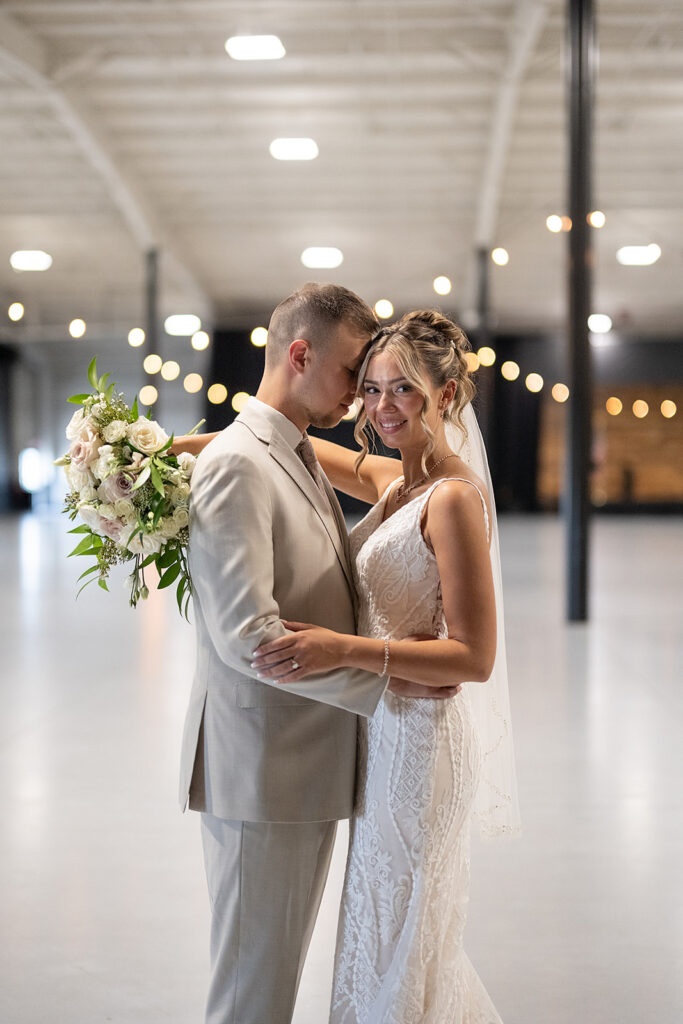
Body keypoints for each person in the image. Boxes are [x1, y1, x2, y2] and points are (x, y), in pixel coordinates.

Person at [178, 284, 459, 1024]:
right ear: (299, 354)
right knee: (251, 992)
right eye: (352, 376)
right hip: (265, 767)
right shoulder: (244, 461)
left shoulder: (291, 451)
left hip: (303, 762)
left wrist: (162, 450)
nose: (362, 400)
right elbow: (249, 638)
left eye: (387, 385)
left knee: (268, 976)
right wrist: (385, 687)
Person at [250, 309, 521, 1022]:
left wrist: (340, 649)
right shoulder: (400, 482)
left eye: (401, 389)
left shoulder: (453, 498)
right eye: (369, 389)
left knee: (402, 933)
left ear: (448, 395)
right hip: (386, 731)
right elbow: (285, 448)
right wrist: (163, 453)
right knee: (386, 930)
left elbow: (474, 656)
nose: (381, 407)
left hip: (423, 746)